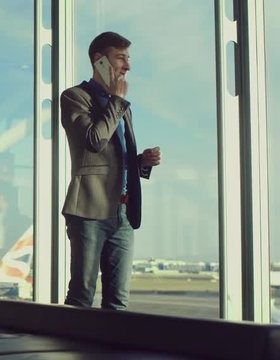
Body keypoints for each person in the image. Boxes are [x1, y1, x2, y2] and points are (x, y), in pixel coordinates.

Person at [60, 32, 161, 310]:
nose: (127, 66)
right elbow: (93, 141)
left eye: (128, 59)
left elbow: (114, 157)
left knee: (118, 301)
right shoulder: (74, 97)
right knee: (81, 296)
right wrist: (116, 101)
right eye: (120, 58)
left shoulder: (122, 108)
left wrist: (141, 161)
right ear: (99, 60)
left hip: (123, 213)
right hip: (89, 210)